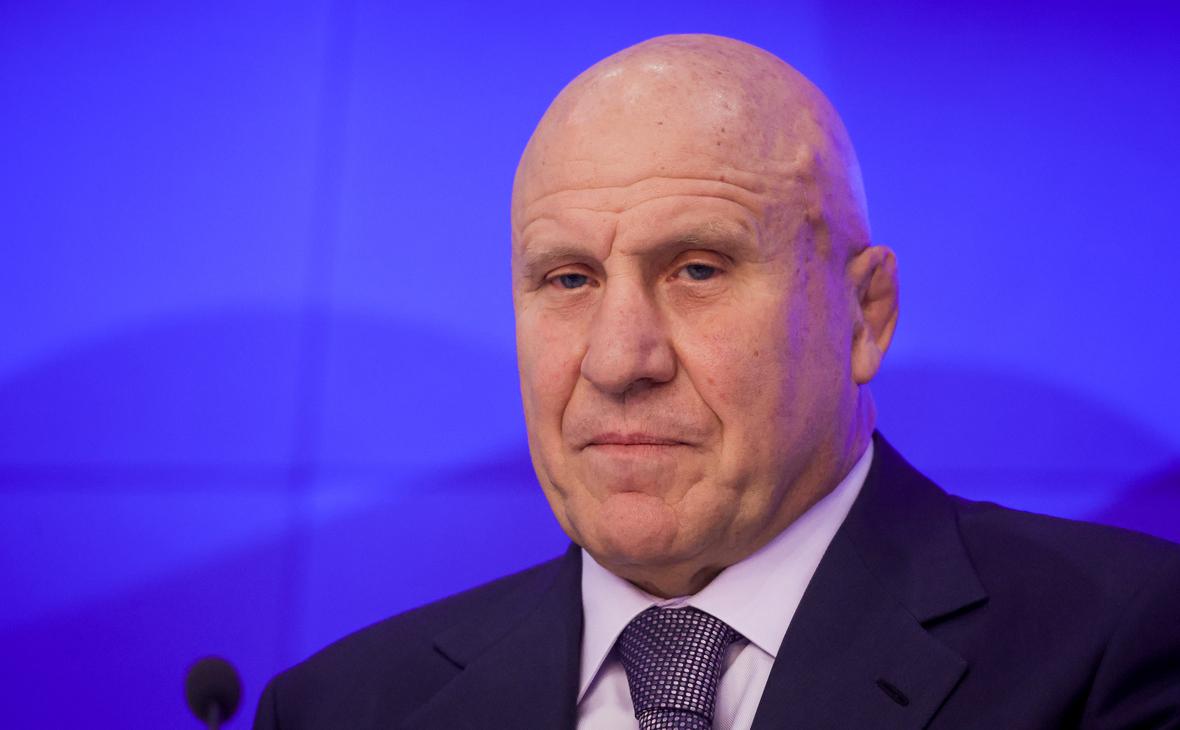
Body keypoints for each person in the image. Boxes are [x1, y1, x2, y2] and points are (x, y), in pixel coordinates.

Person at [253, 34, 1180, 729]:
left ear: (865, 315)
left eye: (698, 269)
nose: (619, 361)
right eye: (568, 280)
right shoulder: (341, 708)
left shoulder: (1118, 645)